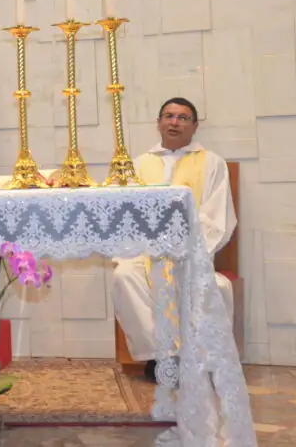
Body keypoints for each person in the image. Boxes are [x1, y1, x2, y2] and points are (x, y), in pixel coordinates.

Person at [109, 97, 237, 381]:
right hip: (145, 251)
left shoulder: (212, 163)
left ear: (195, 126)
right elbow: (126, 214)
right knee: (124, 277)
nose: (174, 122)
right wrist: (147, 244)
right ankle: (162, 356)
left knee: (212, 285)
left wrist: (185, 246)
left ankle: (194, 358)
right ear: (158, 123)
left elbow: (218, 216)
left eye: (182, 118)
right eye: (168, 116)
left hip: (191, 250)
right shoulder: (138, 165)